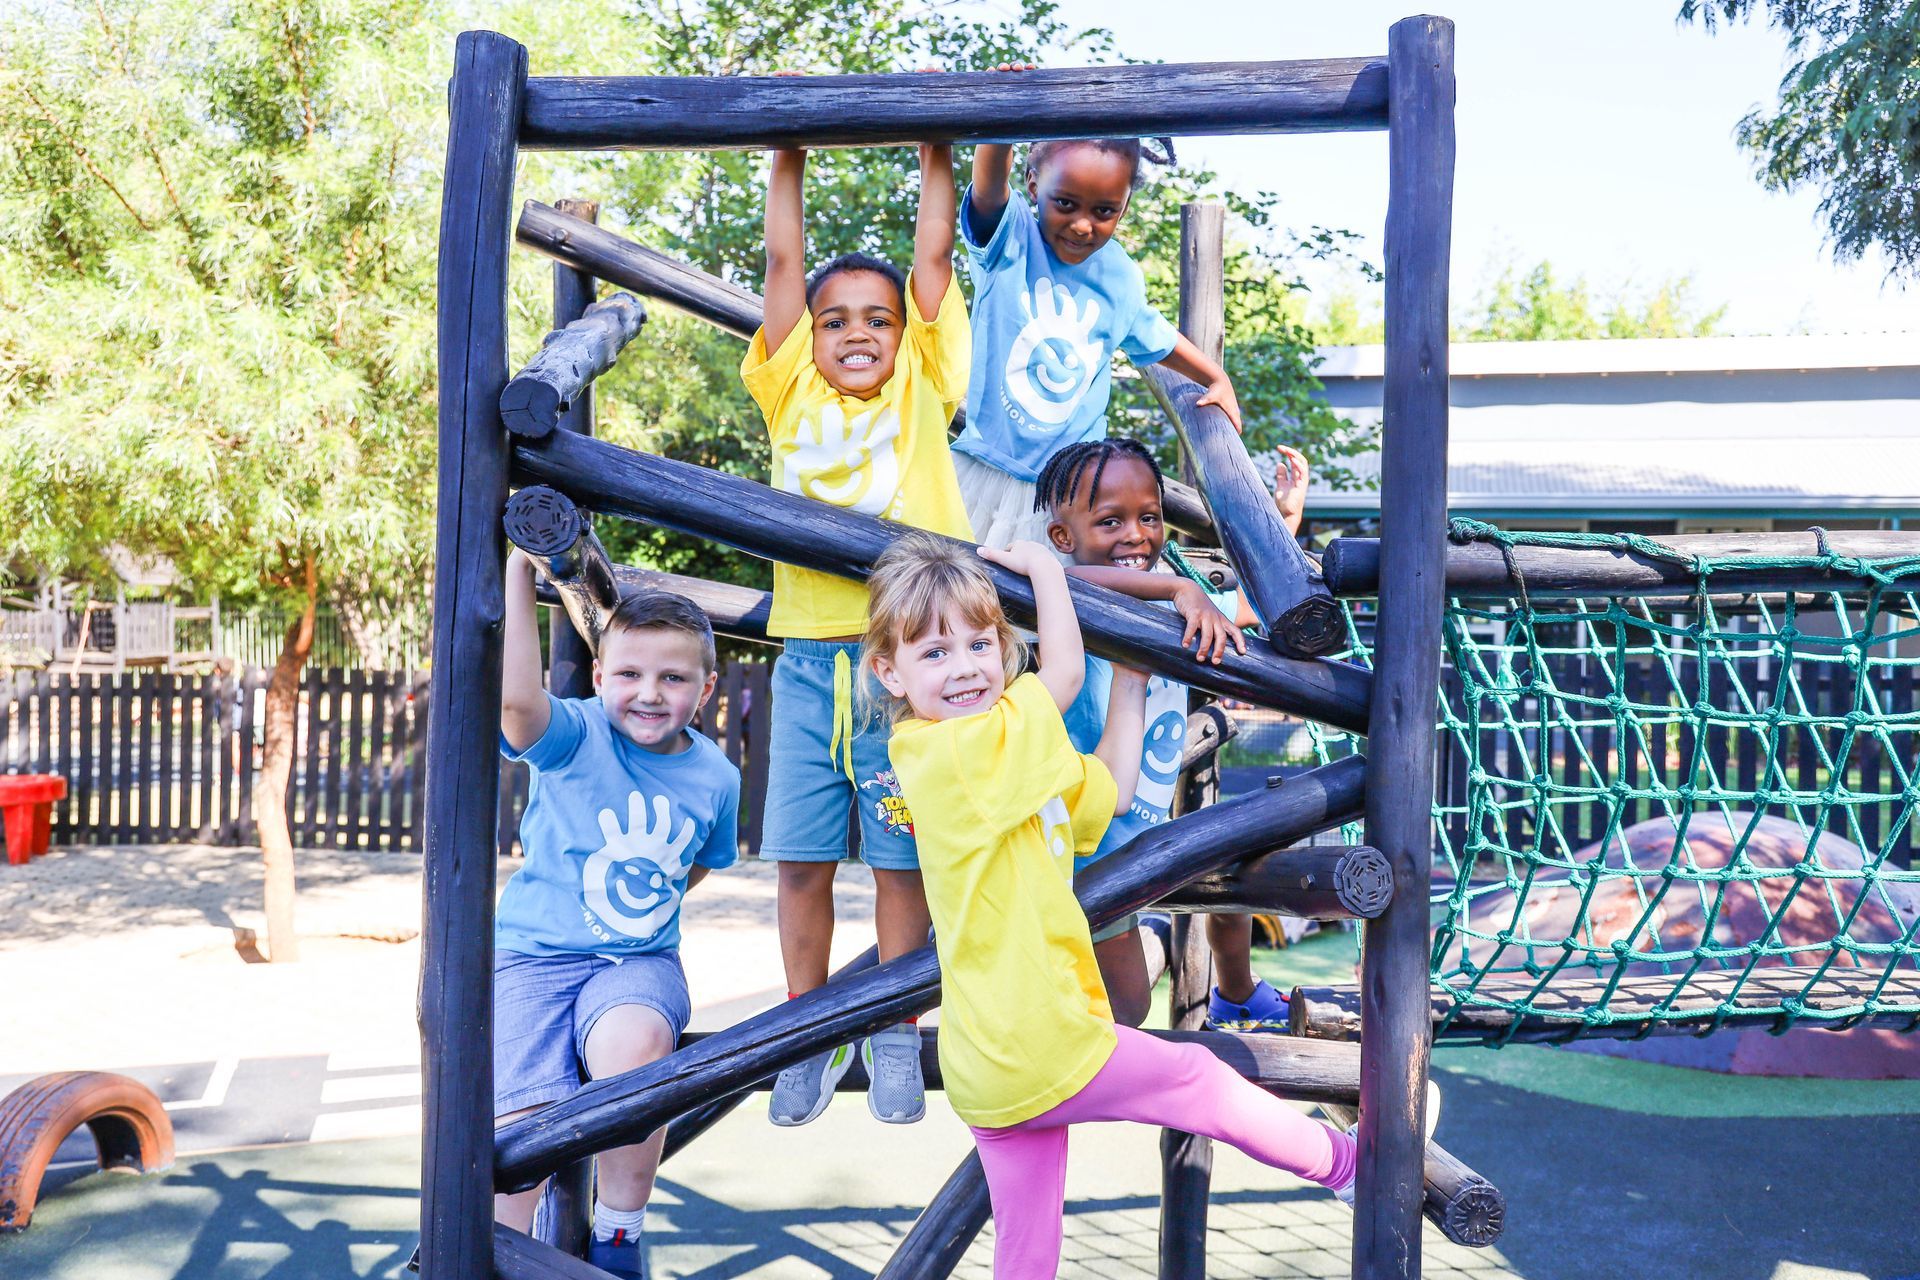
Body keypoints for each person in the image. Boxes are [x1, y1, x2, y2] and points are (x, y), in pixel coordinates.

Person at [861, 532, 1357, 1279]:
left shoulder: (1009, 756)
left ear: (1002, 650)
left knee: (1028, 1255)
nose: (963, 668)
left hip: (990, 1061)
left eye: (978, 645)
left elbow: (1107, 790)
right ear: (887, 672)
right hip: (1040, 1037)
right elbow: (1059, 673)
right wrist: (1039, 569)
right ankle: (1349, 1165)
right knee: (1198, 1083)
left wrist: (1130, 683)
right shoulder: (947, 754)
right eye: (934, 653)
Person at [741, 138, 973, 1127]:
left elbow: (933, 262)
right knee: (799, 859)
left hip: (904, 670)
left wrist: (937, 146)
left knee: (899, 860)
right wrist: (786, 153)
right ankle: (804, 1025)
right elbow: (783, 269)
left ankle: (888, 1023)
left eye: (877, 318)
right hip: (805, 665)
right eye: (836, 321)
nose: (857, 331)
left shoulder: (924, 388)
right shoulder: (789, 389)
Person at [495, 555, 741, 1280]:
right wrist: (519, 575)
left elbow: (696, 861)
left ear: (706, 690)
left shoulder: (716, 776)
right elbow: (515, 704)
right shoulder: (575, 736)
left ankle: (620, 1231)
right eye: (629, 674)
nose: (649, 693)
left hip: (638, 962)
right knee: (519, 1132)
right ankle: (502, 1250)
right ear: (600, 679)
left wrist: (641, 913)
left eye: (673, 678)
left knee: (636, 1055)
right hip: (533, 959)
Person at [1037, 436, 1310, 1031]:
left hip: (1151, 825)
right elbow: (1079, 582)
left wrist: (1283, 524)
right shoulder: (1057, 603)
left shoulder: (1171, 606)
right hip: (1090, 841)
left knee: (1239, 876)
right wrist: (1179, 588)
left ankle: (1234, 993)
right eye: (1111, 521)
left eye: (1150, 518)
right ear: (1063, 539)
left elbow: (1248, 604)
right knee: (1128, 1007)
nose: (1136, 535)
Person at [954, 123, 1244, 549]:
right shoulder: (1011, 237)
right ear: (1033, 186)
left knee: (1060, 604)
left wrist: (1216, 377)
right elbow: (988, 183)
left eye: (1104, 211)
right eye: (1066, 204)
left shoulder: (1119, 276)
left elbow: (1154, 333)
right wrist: (1005, 112)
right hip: (990, 464)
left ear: (1124, 208)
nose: (1082, 225)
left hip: (1070, 488)